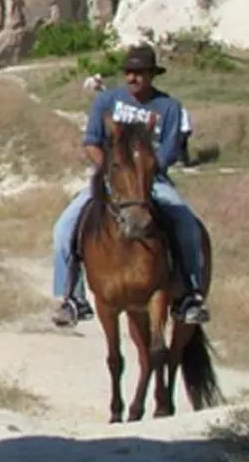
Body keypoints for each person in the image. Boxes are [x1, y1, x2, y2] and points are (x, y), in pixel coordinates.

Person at [50, 42, 209, 327]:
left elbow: (169, 151)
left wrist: (142, 174)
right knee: (63, 227)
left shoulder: (169, 107)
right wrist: (110, 173)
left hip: (152, 180)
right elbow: (91, 142)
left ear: (152, 75)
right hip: (110, 181)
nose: (133, 78)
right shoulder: (106, 101)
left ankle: (189, 295)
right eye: (129, 72)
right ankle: (71, 298)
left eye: (140, 72)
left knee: (187, 224)